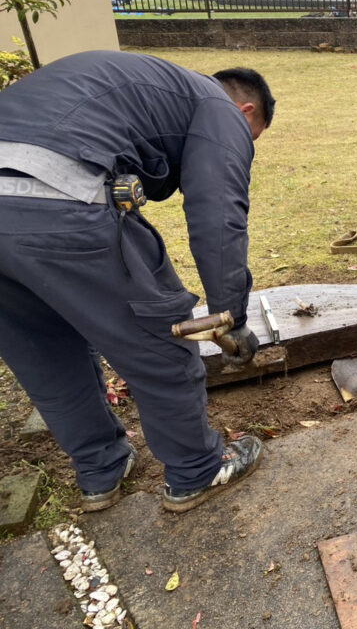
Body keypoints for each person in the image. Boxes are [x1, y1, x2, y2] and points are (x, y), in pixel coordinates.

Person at [0, 50, 274, 514]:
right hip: (60, 200)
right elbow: (218, 213)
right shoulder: (219, 108)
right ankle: (197, 470)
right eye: (253, 139)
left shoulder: (136, 83)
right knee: (160, 338)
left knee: (45, 349)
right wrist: (232, 313)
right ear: (246, 111)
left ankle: (100, 470)